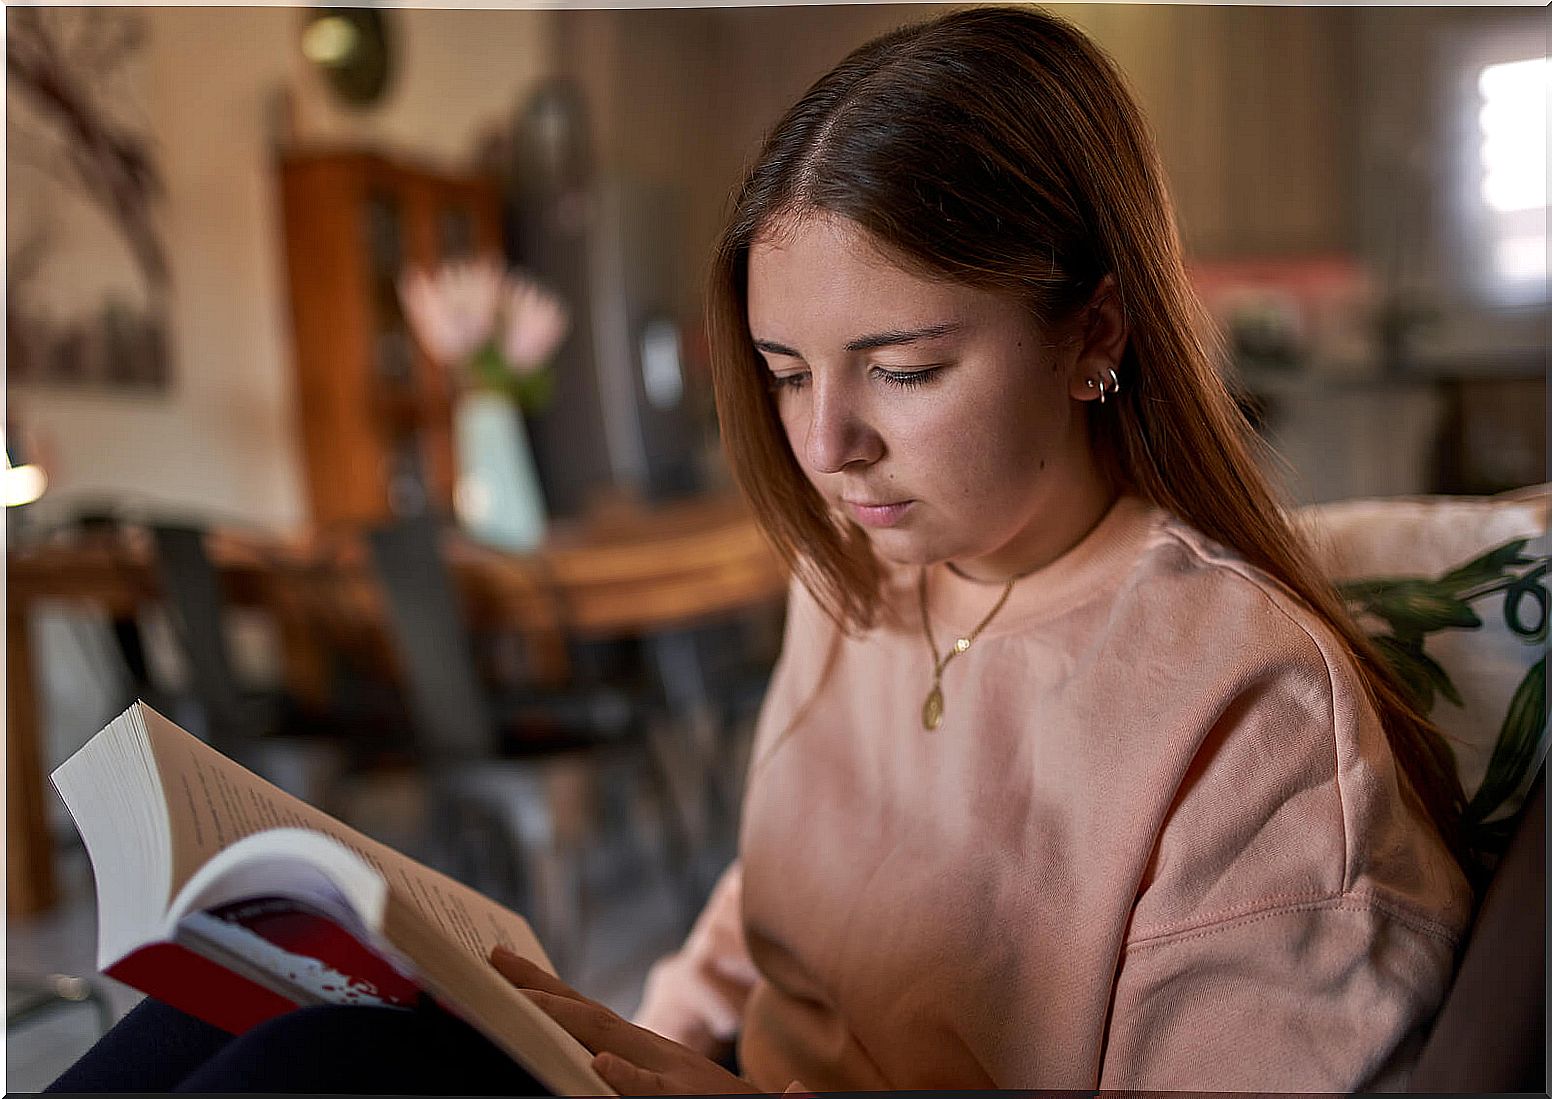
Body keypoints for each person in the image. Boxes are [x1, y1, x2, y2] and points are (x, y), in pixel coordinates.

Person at [49, 5, 1470, 1094]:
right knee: (262, 1000)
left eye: (903, 368)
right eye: (788, 371)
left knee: (323, 1070)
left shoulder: (1252, 719)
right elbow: (762, 910)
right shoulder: (858, 582)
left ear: (1095, 330)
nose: (825, 444)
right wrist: (612, 1044)